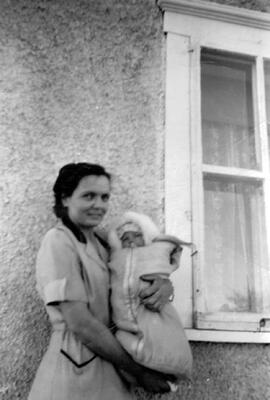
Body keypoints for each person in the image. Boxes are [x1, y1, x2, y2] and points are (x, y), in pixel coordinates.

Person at [28, 162, 176, 400]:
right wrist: (139, 372)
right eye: (89, 196)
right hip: (74, 367)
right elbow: (81, 324)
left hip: (112, 365)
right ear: (65, 199)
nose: (99, 205)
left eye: (104, 197)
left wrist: (164, 286)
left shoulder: (106, 243)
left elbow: (136, 282)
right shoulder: (59, 241)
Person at [107, 211, 193, 390]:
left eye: (137, 236)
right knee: (126, 340)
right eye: (124, 238)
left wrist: (166, 284)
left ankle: (168, 371)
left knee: (163, 338)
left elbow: (162, 265)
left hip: (151, 313)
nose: (130, 241)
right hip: (116, 328)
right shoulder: (113, 259)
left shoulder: (152, 253)